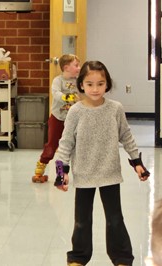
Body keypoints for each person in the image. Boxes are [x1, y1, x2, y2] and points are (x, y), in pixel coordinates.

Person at [54, 60, 150, 266]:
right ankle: (78, 258)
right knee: (82, 221)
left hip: (109, 172)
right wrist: (61, 171)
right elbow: (65, 143)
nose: (95, 89)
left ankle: (122, 258)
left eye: (100, 83)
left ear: (107, 84)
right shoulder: (75, 112)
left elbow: (126, 136)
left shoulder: (115, 109)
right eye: (90, 84)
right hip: (83, 173)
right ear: (81, 85)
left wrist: (137, 163)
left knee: (115, 219)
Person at [32, 54, 81, 183]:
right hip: (58, 118)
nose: (79, 68)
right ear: (66, 67)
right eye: (76, 65)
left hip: (74, 119)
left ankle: (73, 173)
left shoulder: (79, 81)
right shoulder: (57, 81)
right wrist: (70, 98)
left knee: (74, 147)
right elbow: (57, 94)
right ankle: (40, 171)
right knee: (52, 145)